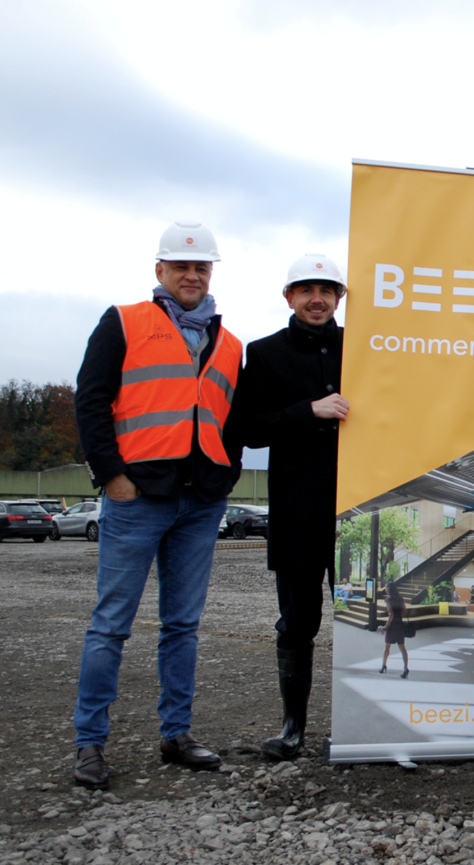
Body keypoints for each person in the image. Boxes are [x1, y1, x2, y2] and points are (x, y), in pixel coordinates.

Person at [71, 221, 243, 789]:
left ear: (210, 273)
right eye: (182, 267)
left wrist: (225, 476)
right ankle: (90, 743)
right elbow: (91, 400)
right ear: (160, 271)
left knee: (183, 626)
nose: (192, 276)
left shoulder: (229, 343)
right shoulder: (123, 322)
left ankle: (177, 734)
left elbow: (231, 420)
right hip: (138, 496)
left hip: (201, 501)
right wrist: (111, 476)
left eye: (201, 267)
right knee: (110, 626)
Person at [229, 254, 348, 761]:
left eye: (326, 290)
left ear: (340, 297)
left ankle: (364, 726)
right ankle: (293, 726)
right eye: (306, 290)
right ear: (289, 297)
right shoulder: (264, 353)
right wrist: (308, 411)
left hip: (359, 512)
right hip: (298, 512)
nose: (316, 299)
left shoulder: (365, 349)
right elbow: (246, 427)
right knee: (298, 624)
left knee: (363, 623)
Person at [378, 583, 409, 678]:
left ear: (389, 589)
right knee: (402, 647)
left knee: (387, 647)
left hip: (392, 626)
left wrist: (385, 626)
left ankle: (383, 666)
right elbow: (404, 610)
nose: (385, 589)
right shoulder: (401, 599)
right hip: (400, 625)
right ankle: (406, 668)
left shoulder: (388, 600)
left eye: (386, 588)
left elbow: (391, 614)